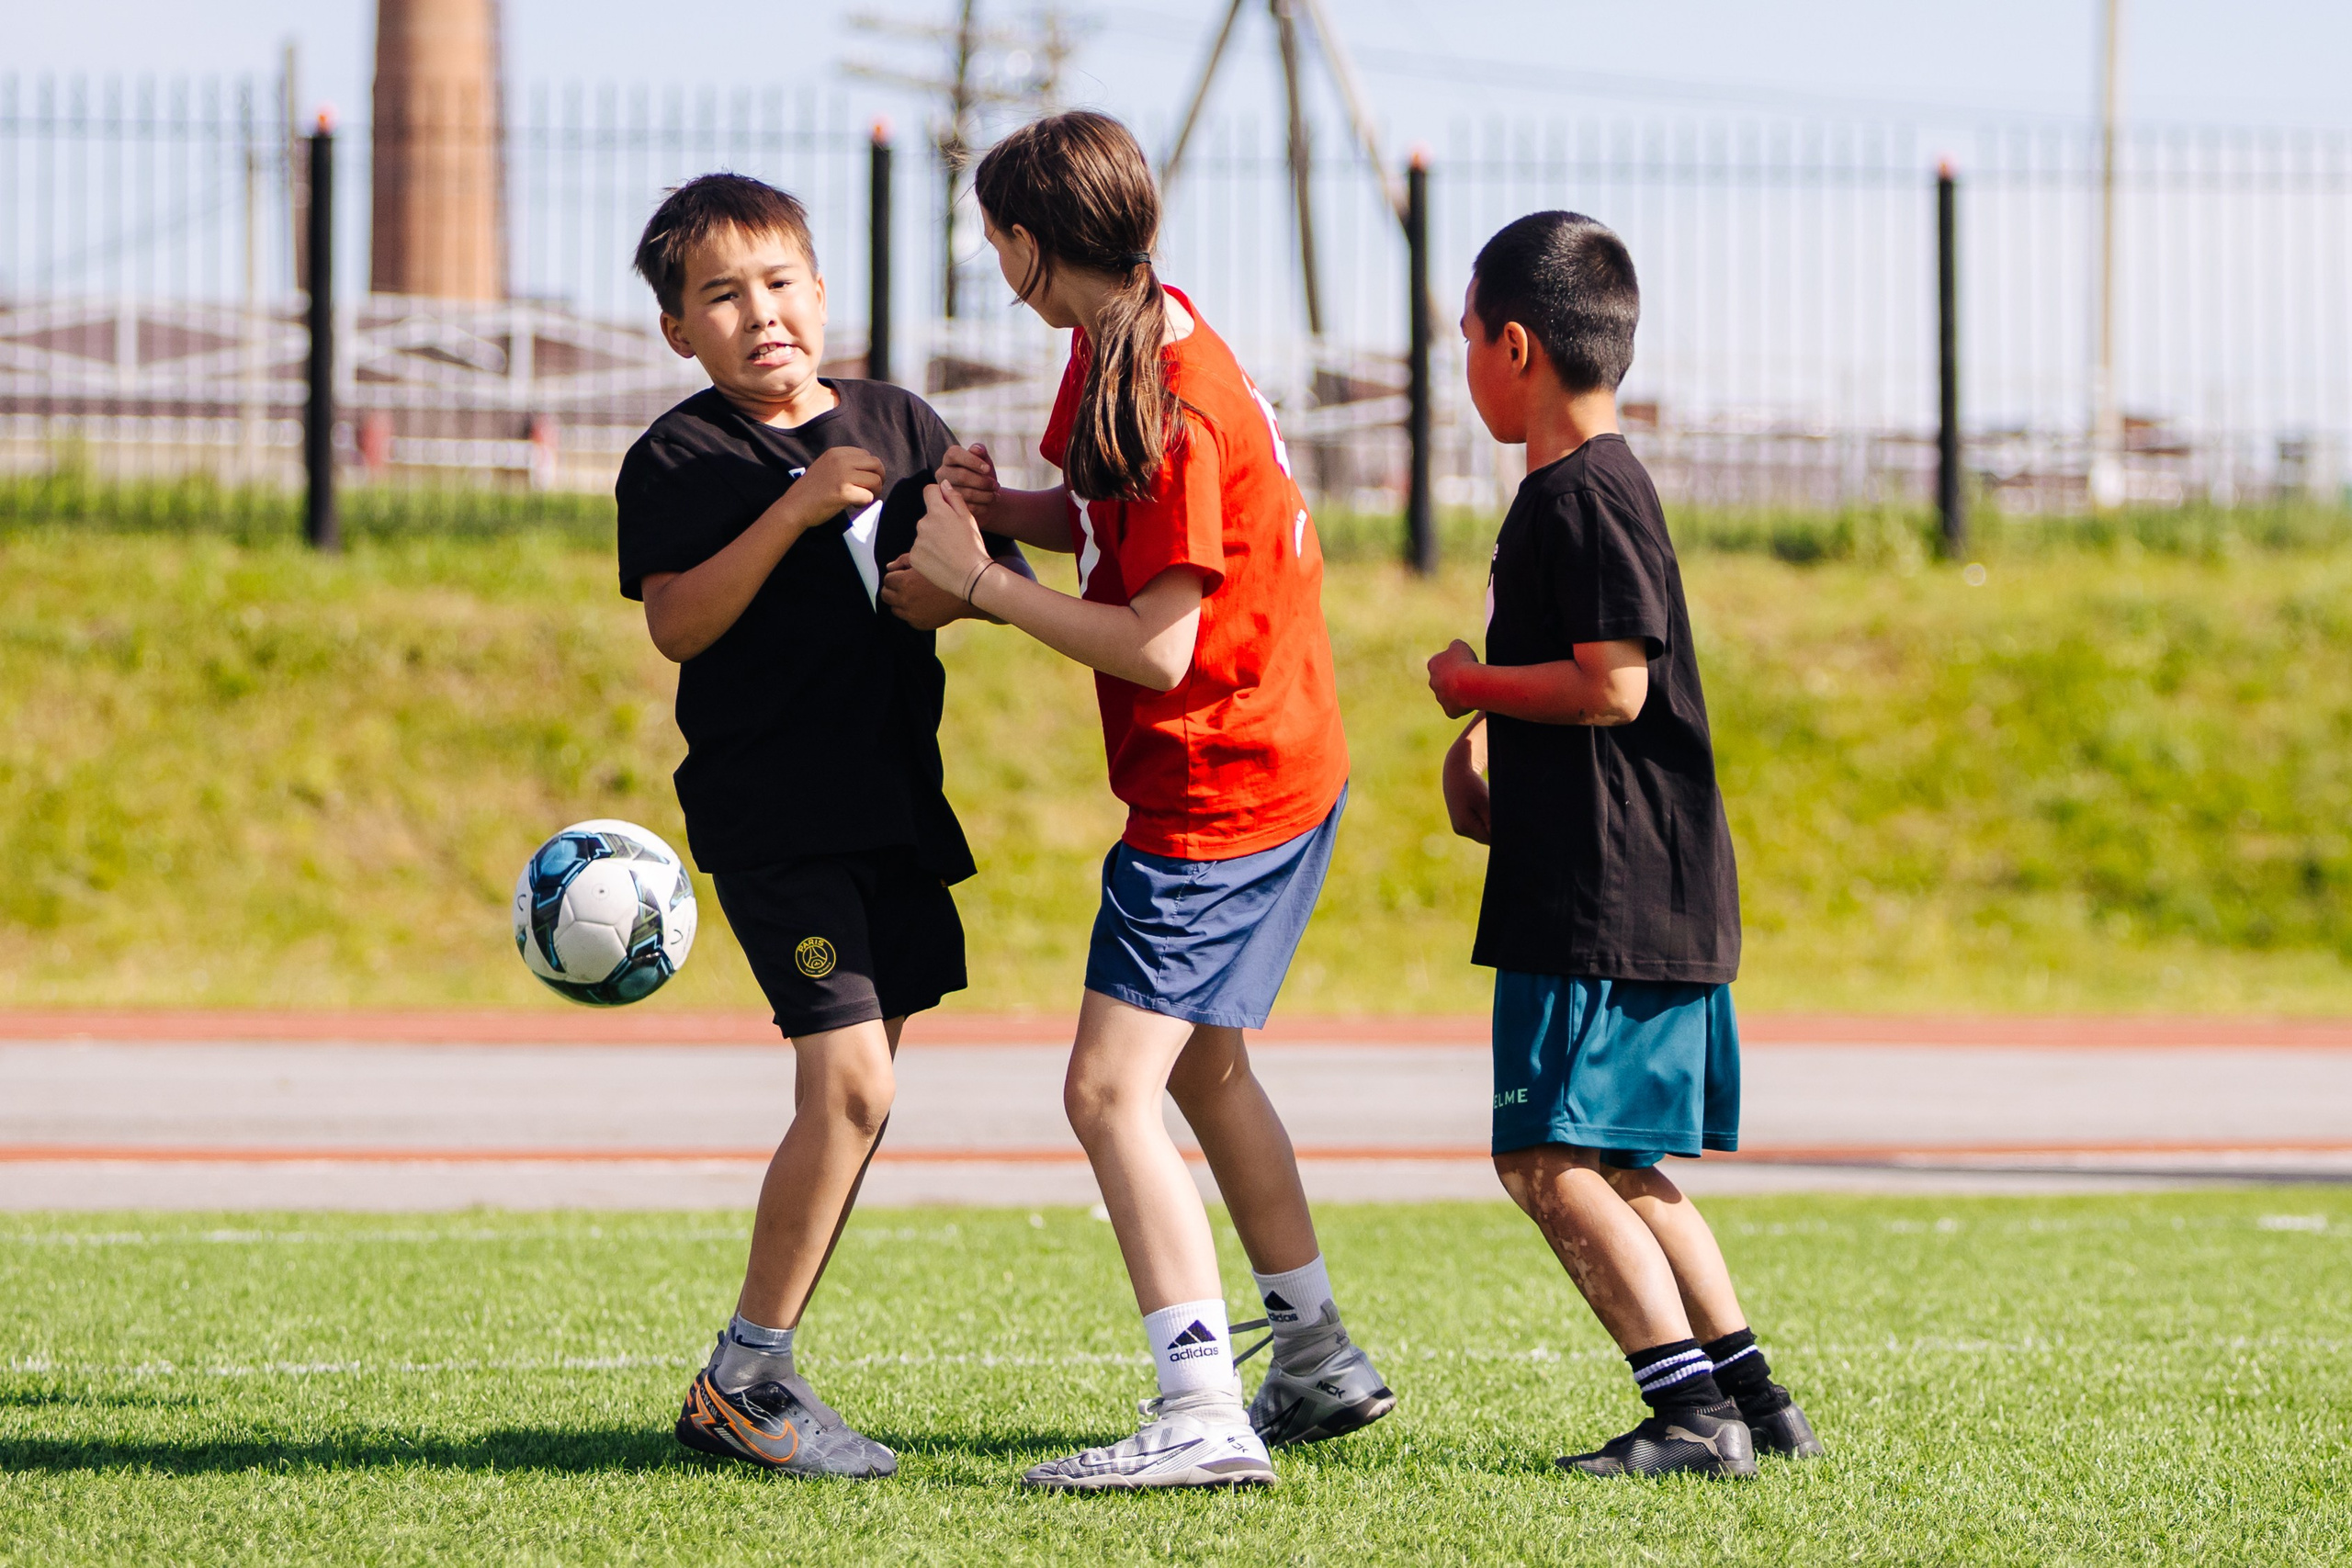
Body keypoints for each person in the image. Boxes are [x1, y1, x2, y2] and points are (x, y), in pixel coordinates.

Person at [896, 110, 1393, 1491]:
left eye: (995, 240)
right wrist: (1006, 516)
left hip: (1221, 788)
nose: (993, 263)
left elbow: (1161, 645)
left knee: (1108, 1091)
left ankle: (1201, 1410)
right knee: (1205, 1068)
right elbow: (1107, 518)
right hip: (1282, 761)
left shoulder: (1173, 398)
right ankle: (1315, 1356)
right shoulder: (1124, 336)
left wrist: (981, 589)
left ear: (1029, 243)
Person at [616, 173, 1030, 1480]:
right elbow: (677, 623)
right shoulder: (681, 457)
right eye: (721, 296)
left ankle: (760, 1372)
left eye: (779, 283)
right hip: (776, 817)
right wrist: (795, 508)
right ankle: (744, 1380)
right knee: (852, 1086)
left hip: (895, 808)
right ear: (680, 330)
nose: (761, 315)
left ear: (821, 290)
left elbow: (978, 585)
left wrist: (957, 560)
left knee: (861, 1100)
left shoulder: (899, 420)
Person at [1425, 210, 1824, 1480]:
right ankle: (1755, 1400)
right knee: (1619, 1159)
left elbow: (1613, 686)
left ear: (1518, 347)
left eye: (1467, 337)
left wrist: (1471, 688)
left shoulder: (1582, 491)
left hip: (1596, 900)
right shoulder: (1593, 488)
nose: (1463, 362)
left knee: (1542, 1158)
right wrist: (1495, 778)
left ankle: (1690, 1419)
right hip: (1635, 879)